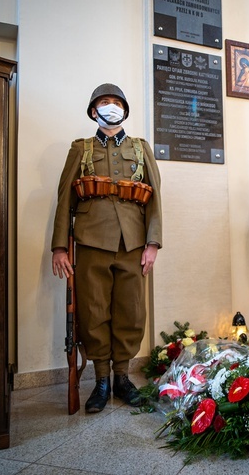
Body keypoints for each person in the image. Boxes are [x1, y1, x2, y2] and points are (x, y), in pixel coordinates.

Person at [51, 83, 163, 411]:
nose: (111, 107)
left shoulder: (141, 148)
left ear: (125, 110)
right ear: (93, 111)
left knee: (131, 311)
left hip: (133, 241)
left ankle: (122, 379)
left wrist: (153, 242)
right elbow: (65, 198)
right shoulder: (81, 148)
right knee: (94, 310)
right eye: (104, 102)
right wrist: (60, 247)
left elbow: (154, 198)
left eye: (116, 102)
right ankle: (101, 379)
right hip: (91, 239)